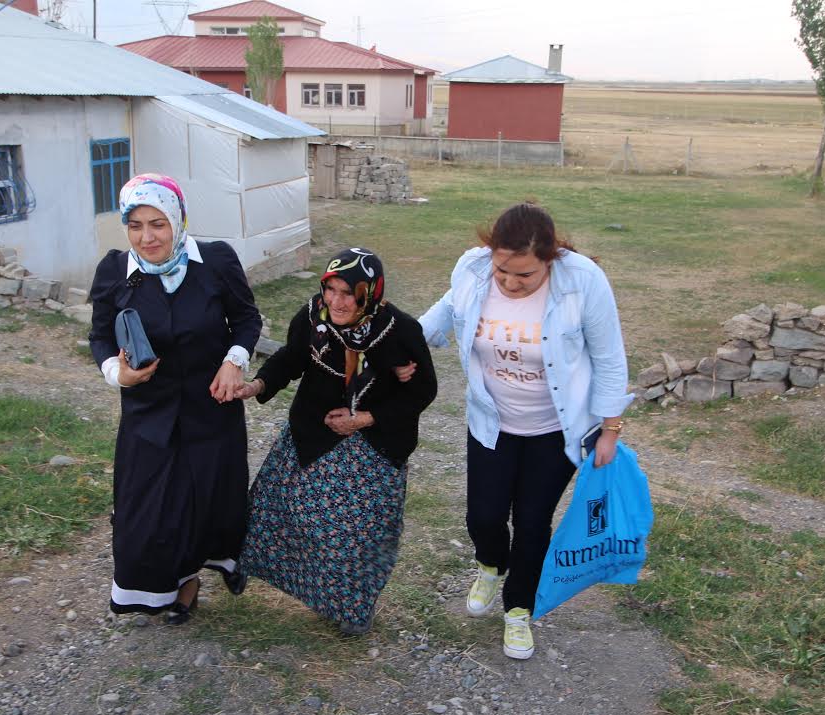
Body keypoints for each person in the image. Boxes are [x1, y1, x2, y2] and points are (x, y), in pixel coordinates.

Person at [415, 202, 632, 659]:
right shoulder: (472, 268)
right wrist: (406, 343)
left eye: (525, 276)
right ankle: (491, 565)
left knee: (533, 523)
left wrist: (610, 428)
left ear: (549, 259)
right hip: (491, 422)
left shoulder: (584, 280)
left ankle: (518, 610)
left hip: (556, 429)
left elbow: (610, 358)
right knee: (484, 517)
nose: (511, 284)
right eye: (503, 272)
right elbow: (445, 310)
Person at [235, 248, 437, 635]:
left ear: (370, 293)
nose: (337, 302)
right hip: (312, 431)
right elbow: (291, 357)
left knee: (352, 534)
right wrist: (258, 384)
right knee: (274, 507)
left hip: (373, 443)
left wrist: (364, 419)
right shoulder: (315, 316)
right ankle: (245, 566)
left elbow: (424, 390)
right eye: (331, 290)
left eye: (350, 293)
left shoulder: (400, 331)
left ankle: (349, 607)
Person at [88, 173, 262, 624]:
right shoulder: (114, 271)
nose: (147, 237)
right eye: (136, 225)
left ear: (179, 220)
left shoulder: (216, 261)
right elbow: (100, 337)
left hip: (211, 411)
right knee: (147, 508)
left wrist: (234, 360)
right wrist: (117, 373)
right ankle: (159, 584)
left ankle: (190, 581)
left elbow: (246, 319)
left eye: (158, 223)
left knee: (206, 501)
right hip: (149, 414)